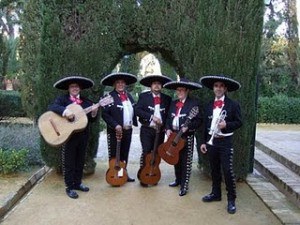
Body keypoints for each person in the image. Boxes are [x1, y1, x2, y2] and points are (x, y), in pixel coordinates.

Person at [48, 75, 98, 199]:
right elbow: (52, 107)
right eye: (72, 86)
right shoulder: (63, 99)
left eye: (76, 86)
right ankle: (69, 187)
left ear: (80, 88)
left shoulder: (87, 102)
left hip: (83, 135)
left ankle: (78, 183)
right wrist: (65, 112)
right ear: (69, 89)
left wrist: (94, 111)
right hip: (68, 136)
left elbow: (92, 120)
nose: (75, 88)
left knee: (80, 161)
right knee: (69, 162)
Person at [199, 74, 242, 214]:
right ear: (213, 88)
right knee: (214, 169)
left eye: (221, 86)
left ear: (225, 89)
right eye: (216, 86)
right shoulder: (208, 105)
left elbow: (239, 122)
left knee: (227, 171)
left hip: (225, 142)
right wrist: (204, 142)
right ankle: (216, 193)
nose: (218, 88)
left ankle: (231, 199)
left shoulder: (233, 104)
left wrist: (226, 124)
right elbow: (205, 125)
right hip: (212, 141)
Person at [163, 78, 202, 196]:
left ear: (187, 91)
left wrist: (188, 128)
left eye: (181, 90)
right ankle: (177, 180)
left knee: (186, 161)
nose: (179, 92)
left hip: (186, 137)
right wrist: (168, 129)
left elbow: (199, 120)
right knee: (175, 159)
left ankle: (184, 186)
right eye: (177, 90)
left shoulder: (194, 103)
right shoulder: (173, 103)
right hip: (173, 135)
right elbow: (168, 119)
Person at [135, 74, 172, 187]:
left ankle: (154, 174)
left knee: (157, 153)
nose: (157, 85)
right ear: (151, 85)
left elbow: (168, 116)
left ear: (161, 86)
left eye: (159, 84)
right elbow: (137, 110)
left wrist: (167, 128)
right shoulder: (143, 96)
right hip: (147, 129)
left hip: (159, 131)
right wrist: (151, 117)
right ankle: (143, 176)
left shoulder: (167, 98)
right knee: (146, 152)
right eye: (154, 83)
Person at [101, 72, 138, 182]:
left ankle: (123, 174)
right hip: (115, 131)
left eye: (122, 82)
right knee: (114, 154)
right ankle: (114, 174)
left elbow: (134, 110)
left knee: (124, 154)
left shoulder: (129, 96)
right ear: (114, 85)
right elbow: (105, 114)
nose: (120, 84)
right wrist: (115, 125)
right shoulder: (109, 97)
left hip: (128, 130)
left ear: (125, 84)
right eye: (118, 83)